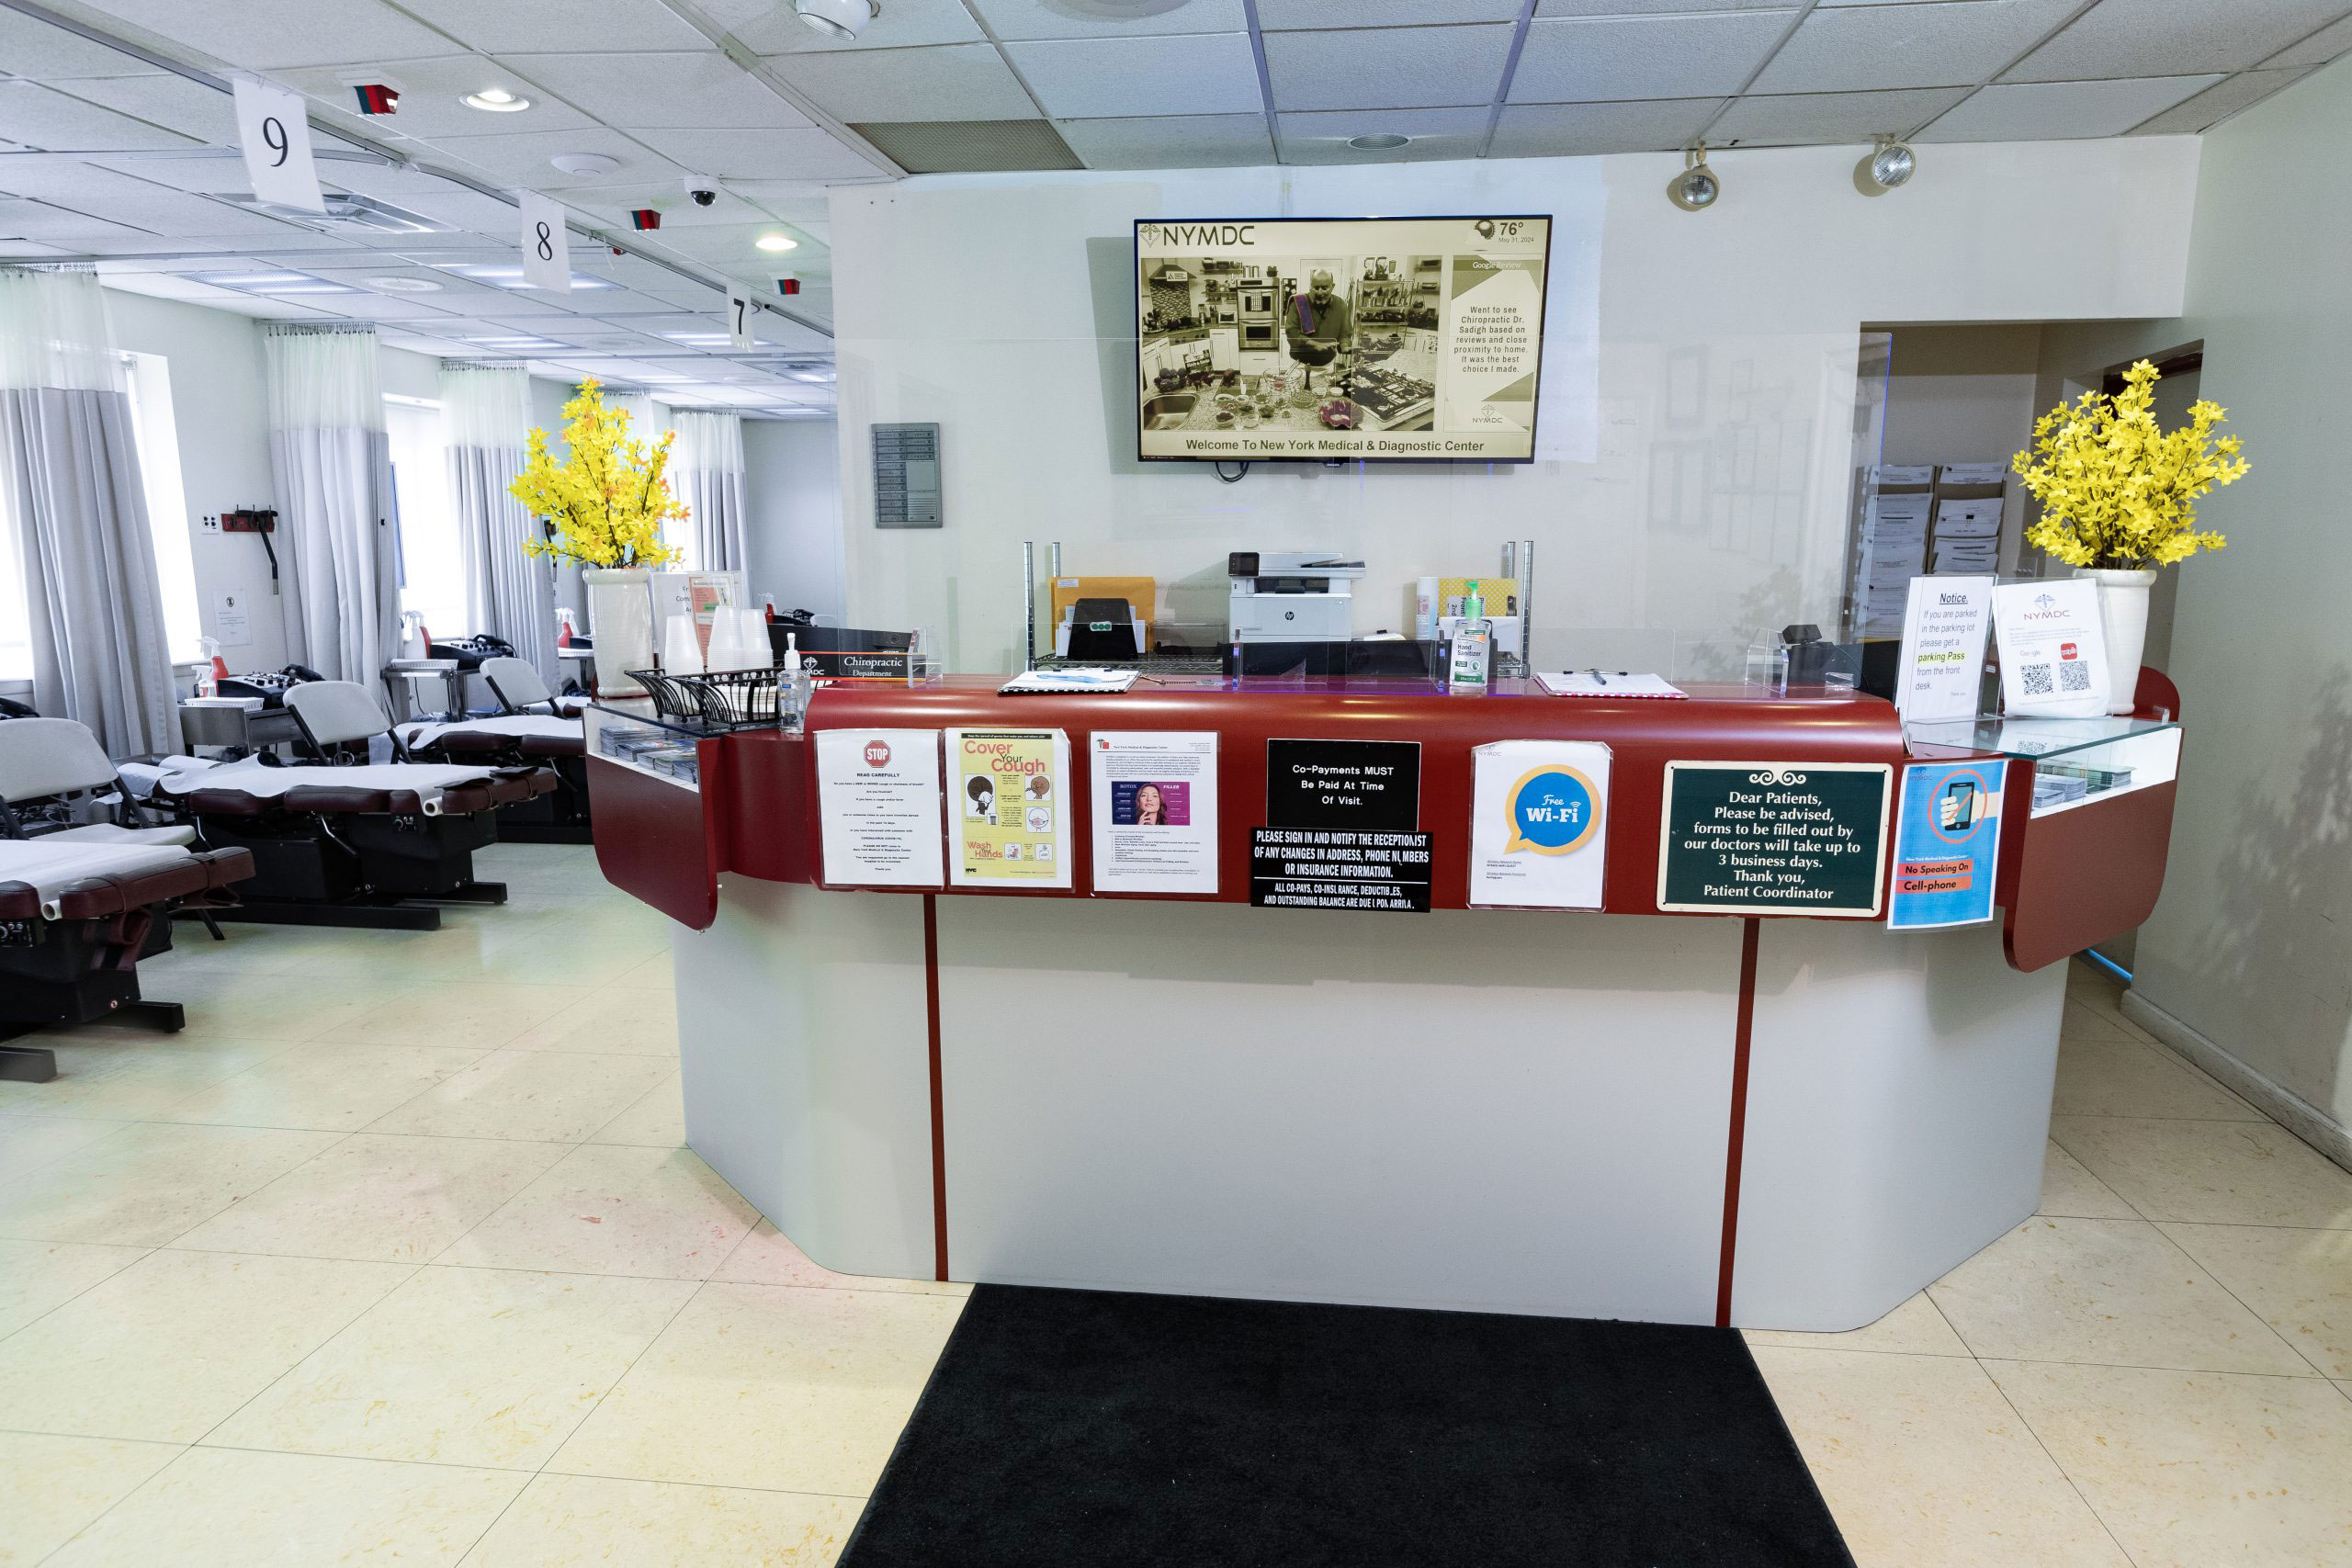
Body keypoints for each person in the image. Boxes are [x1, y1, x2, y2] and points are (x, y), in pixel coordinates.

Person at [1283, 268, 1352, 390]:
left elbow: (1344, 334)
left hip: (1327, 367)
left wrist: (1345, 345)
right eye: (1316, 288)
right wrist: (1315, 344)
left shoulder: (1341, 305)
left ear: (1332, 286)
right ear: (1311, 286)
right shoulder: (1299, 303)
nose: (1320, 292)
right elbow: (1292, 334)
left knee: (1324, 405)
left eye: (1324, 288)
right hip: (1299, 367)